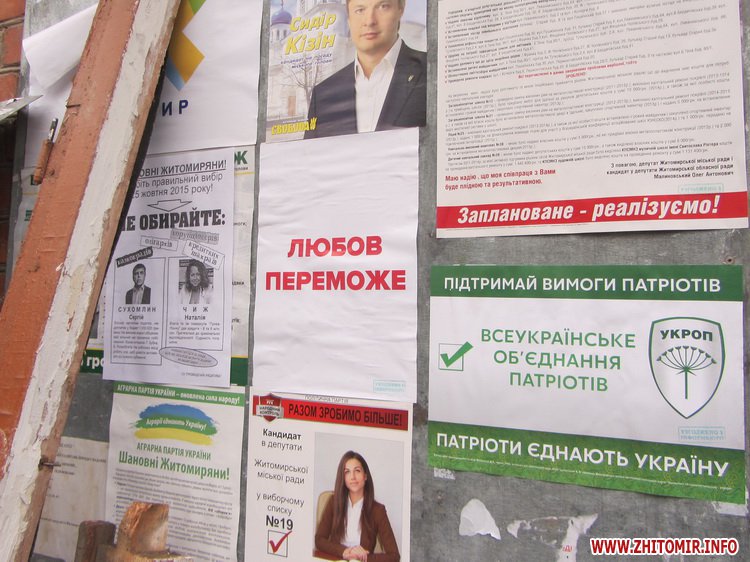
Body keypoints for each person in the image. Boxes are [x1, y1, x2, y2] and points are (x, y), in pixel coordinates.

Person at [304, 0, 425, 139]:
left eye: (382, 7)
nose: (369, 21)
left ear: (400, 9)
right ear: (349, 18)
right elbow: (311, 152)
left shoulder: (431, 72)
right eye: (360, 10)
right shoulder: (323, 95)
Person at [315, 451, 400, 562]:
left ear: (365, 476)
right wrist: (343, 552)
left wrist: (364, 557)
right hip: (337, 559)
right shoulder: (334, 502)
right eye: (347, 472)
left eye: (357, 471)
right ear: (343, 477)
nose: (353, 477)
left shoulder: (377, 510)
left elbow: (394, 556)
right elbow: (319, 540)